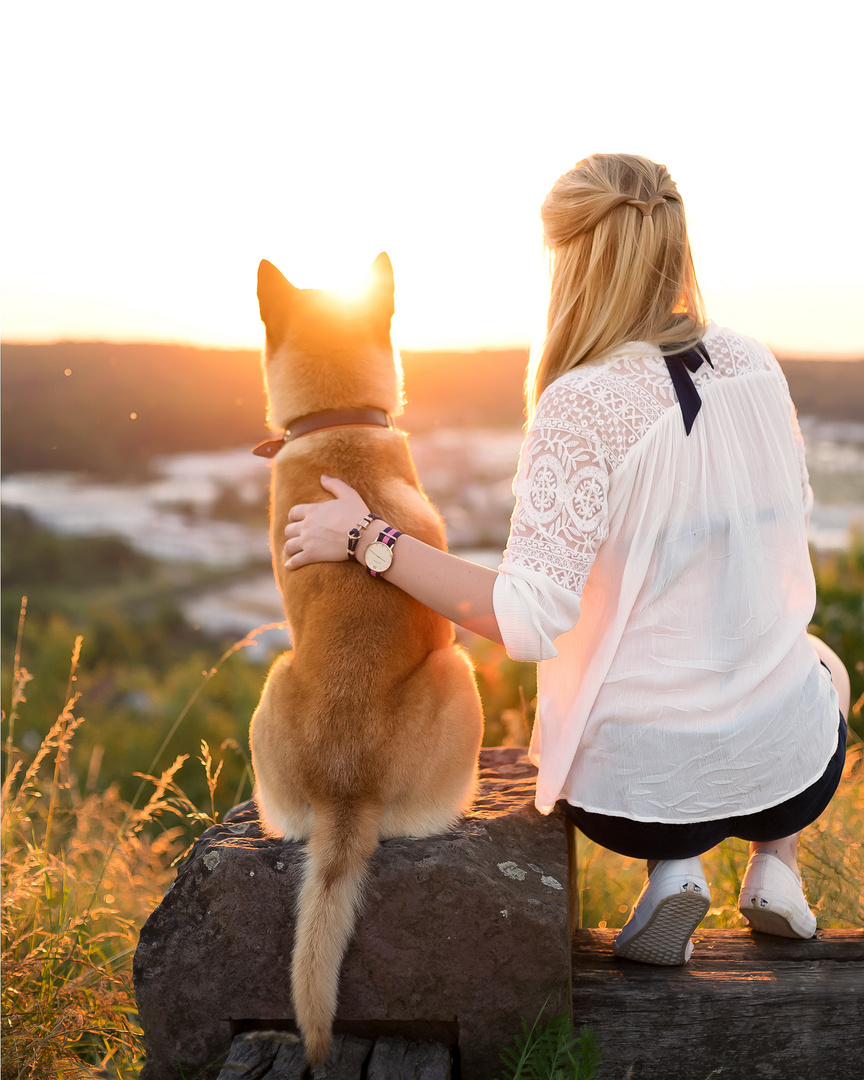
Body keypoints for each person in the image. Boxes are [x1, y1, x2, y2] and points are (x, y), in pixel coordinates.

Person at [281, 153, 851, 965]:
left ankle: (674, 867)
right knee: (822, 665)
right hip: (791, 772)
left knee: (627, 692)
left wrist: (367, 538)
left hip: (636, 796)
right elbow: (781, 525)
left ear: (571, 261)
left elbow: (520, 619)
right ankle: (776, 865)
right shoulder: (754, 363)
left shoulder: (580, 403)